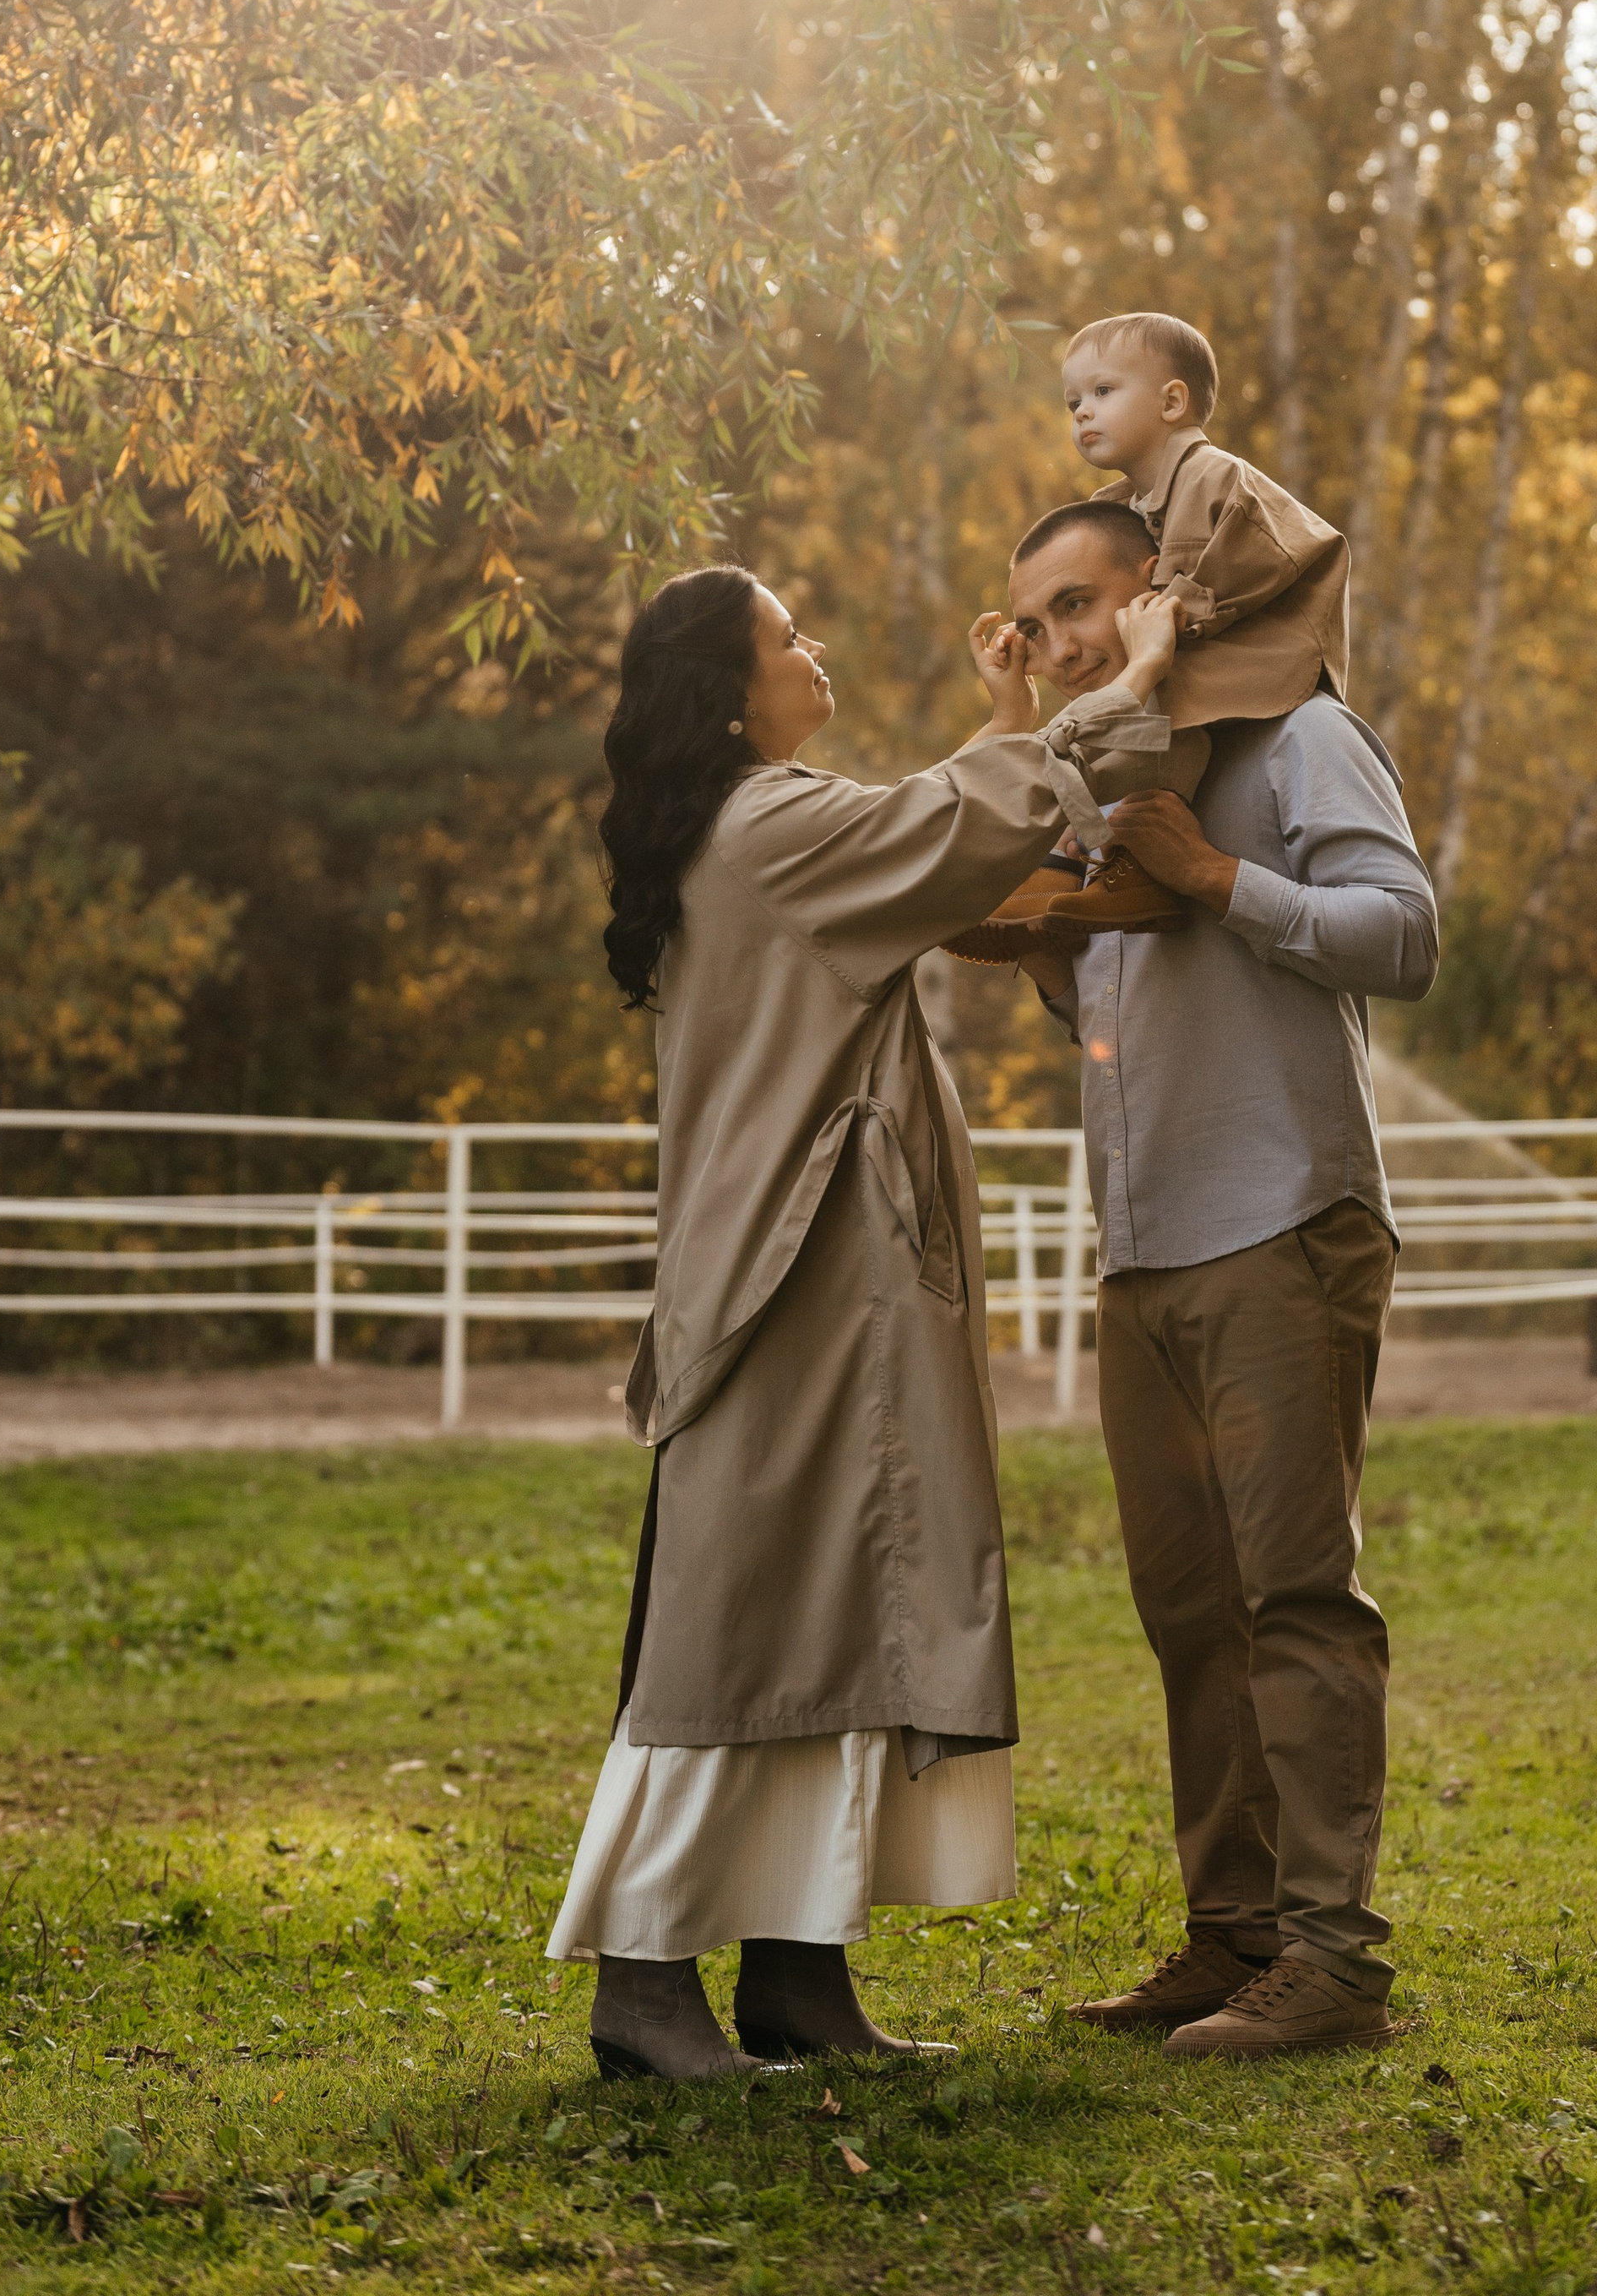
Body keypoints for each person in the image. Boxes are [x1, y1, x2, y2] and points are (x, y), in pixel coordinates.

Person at [546, 559, 1179, 2079]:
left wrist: (1016, 713)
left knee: (843, 1617)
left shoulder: (766, 825)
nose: (809, 648)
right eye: (784, 638)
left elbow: (948, 837)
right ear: (729, 692)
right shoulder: (768, 830)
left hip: (836, 1287)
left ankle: (801, 1980)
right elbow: (951, 828)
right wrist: (1124, 687)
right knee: (742, 1623)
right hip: (795, 1288)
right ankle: (642, 1984)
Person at [1001, 504, 1438, 2059]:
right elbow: (1110, 1021)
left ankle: (1334, 1966)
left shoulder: (1298, 740)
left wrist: (1207, 875)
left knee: (1298, 1604)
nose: (1058, 645)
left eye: (1078, 607)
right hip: (1145, 1247)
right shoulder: (1108, 783)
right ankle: (1231, 1937)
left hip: (1281, 1225)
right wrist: (1068, 918)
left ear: (1160, 603)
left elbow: (1404, 937)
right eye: (1034, 621)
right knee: (1189, 1613)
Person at [948, 310, 1350, 956]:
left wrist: (1172, 609)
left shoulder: (1213, 475)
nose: (1082, 413)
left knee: (1141, 730)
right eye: (1073, 401)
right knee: (1105, 743)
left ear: (1172, 401)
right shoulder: (1122, 505)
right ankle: (1067, 859)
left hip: (1257, 658)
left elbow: (1276, 551)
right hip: (1199, 660)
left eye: (1103, 393)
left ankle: (1118, 862)